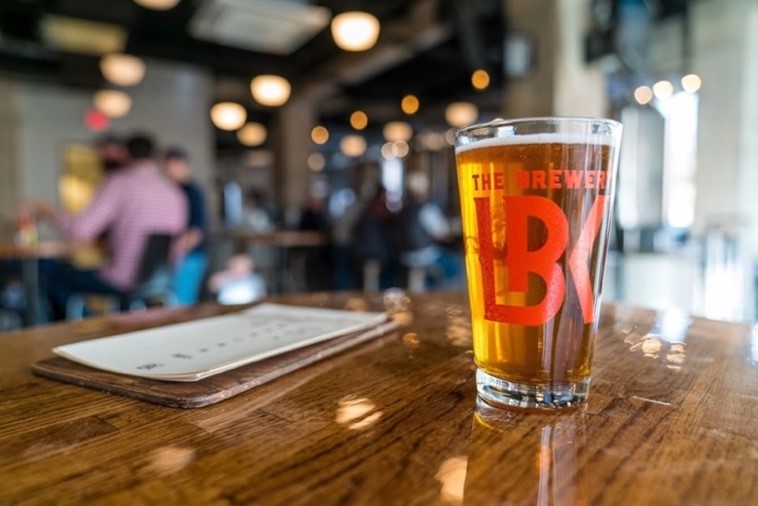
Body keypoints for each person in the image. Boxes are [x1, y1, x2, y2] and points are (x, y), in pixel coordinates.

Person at [29, 133, 187, 320]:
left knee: (57, 280)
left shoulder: (119, 183)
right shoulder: (174, 192)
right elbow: (177, 242)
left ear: (124, 155)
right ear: (154, 156)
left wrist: (48, 212)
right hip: (161, 280)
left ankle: (81, 329)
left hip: (122, 280)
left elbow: (82, 230)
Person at [398, 172, 461, 290]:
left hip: (405, 255)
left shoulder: (403, 208)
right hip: (423, 254)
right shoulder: (427, 209)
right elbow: (441, 232)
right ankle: (442, 296)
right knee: (456, 265)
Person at [163, 147, 209, 305]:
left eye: (177, 166)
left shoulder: (192, 191)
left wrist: (177, 253)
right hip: (175, 254)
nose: (173, 170)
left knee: (182, 304)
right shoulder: (168, 190)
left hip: (189, 255)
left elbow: (196, 229)